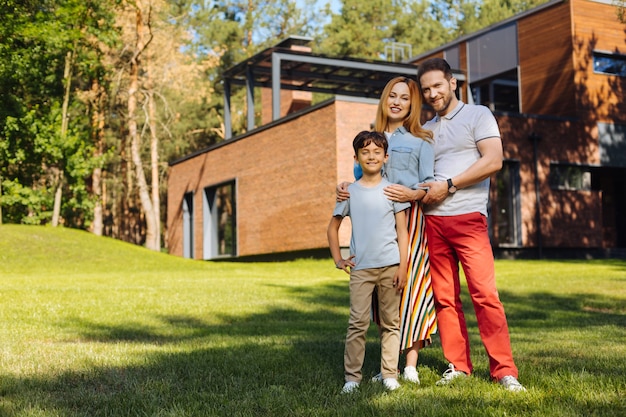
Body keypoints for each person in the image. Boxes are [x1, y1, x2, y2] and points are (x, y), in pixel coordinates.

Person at [415, 57, 526, 392]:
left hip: (469, 219)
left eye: (437, 85)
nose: (432, 93)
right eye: (425, 89)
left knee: (485, 295)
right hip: (433, 222)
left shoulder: (478, 115)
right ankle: (458, 366)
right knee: (445, 298)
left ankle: (504, 370)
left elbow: (493, 160)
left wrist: (448, 185)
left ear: (453, 83)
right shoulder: (426, 130)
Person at [339, 76, 438, 385]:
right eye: (392, 96)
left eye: (404, 98)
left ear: (412, 104)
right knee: (384, 296)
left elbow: (429, 183)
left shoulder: (422, 140)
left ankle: (410, 364)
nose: (397, 101)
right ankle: (387, 366)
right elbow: (358, 177)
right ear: (384, 100)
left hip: (411, 220)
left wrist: (414, 194)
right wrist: (343, 186)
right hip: (377, 228)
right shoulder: (372, 138)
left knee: (410, 290)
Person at [327, 130, 410, 394]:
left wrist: (403, 267)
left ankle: (390, 374)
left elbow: (402, 233)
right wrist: (338, 259)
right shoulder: (349, 193)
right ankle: (352, 379)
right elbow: (332, 229)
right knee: (357, 323)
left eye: (377, 152)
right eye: (365, 152)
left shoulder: (393, 191)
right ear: (356, 157)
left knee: (390, 322)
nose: (371, 156)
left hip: (391, 267)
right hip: (361, 269)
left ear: (385, 157)